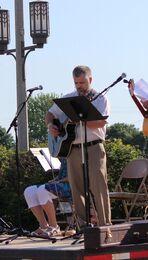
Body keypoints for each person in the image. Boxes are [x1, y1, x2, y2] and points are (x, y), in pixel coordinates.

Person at [45, 65, 111, 228]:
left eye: (82, 82)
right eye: (76, 83)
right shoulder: (69, 98)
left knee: (98, 186)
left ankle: (105, 227)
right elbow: (50, 113)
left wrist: (80, 119)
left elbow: (101, 122)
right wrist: (51, 125)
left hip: (94, 146)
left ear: (90, 79)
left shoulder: (100, 98)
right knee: (77, 189)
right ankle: (83, 228)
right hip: (73, 149)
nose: (79, 86)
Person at [24, 158, 74, 237]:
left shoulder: (77, 154)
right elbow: (62, 175)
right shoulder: (65, 157)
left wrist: (59, 181)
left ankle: (54, 226)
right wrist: (54, 180)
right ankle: (44, 226)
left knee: (42, 190)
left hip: (72, 186)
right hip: (62, 183)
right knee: (29, 191)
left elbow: (76, 176)